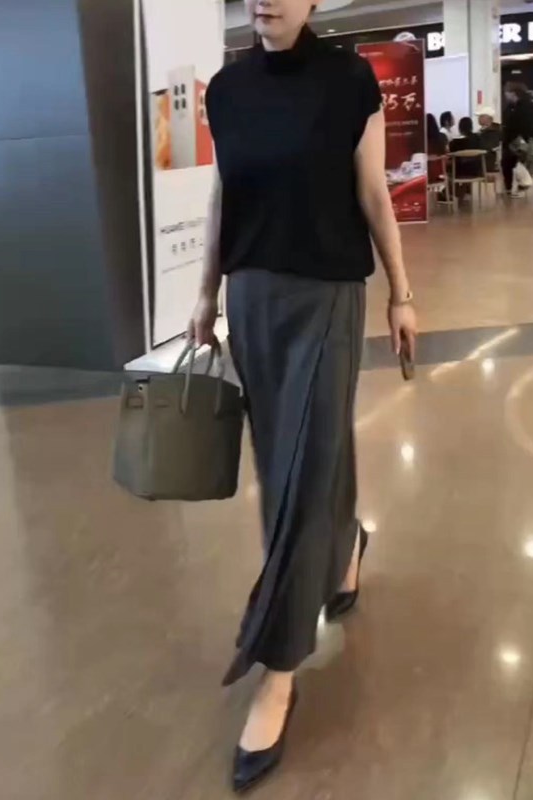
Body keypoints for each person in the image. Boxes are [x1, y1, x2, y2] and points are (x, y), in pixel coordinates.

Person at [189, 0, 419, 792]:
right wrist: (205, 292)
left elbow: (374, 194)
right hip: (253, 299)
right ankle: (346, 544)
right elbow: (223, 198)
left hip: (327, 294)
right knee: (294, 457)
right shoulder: (227, 90)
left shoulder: (349, 81)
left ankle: (280, 668)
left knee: (300, 470)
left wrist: (402, 294)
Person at [502, 81, 533, 197]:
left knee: (519, 164)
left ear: (513, 93)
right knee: (513, 163)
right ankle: (513, 188)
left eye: (506, 92)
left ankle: (520, 187)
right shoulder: (515, 107)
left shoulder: (522, 108)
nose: (505, 95)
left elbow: (520, 125)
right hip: (518, 140)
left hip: (520, 140)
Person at [449, 117, 483, 202]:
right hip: (476, 170)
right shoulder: (478, 138)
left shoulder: (455, 142)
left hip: (460, 171)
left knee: (449, 169)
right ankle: (466, 192)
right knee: (469, 163)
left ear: (460, 128)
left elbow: (450, 154)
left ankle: (455, 192)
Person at [476, 105, 502, 172]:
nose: (478, 118)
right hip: (480, 159)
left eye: (481, 116)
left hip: (486, 161)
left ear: (489, 119)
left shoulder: (494, 132)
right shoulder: (482, 131)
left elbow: (488, 147)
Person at [426, 112, 449, 185]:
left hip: (424, 175)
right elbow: (447, 154)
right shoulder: (443, 137)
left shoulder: (421, 141)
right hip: (440, 173)